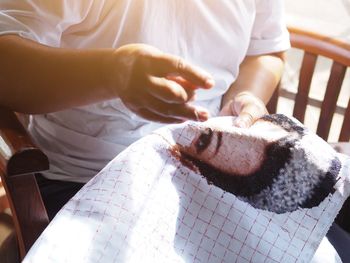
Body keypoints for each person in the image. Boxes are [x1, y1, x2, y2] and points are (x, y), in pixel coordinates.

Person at [0, 0, 289, 218]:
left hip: (206, 178)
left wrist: (245, 94)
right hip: (84, 180)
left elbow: (264, 48)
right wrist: (111, 74)